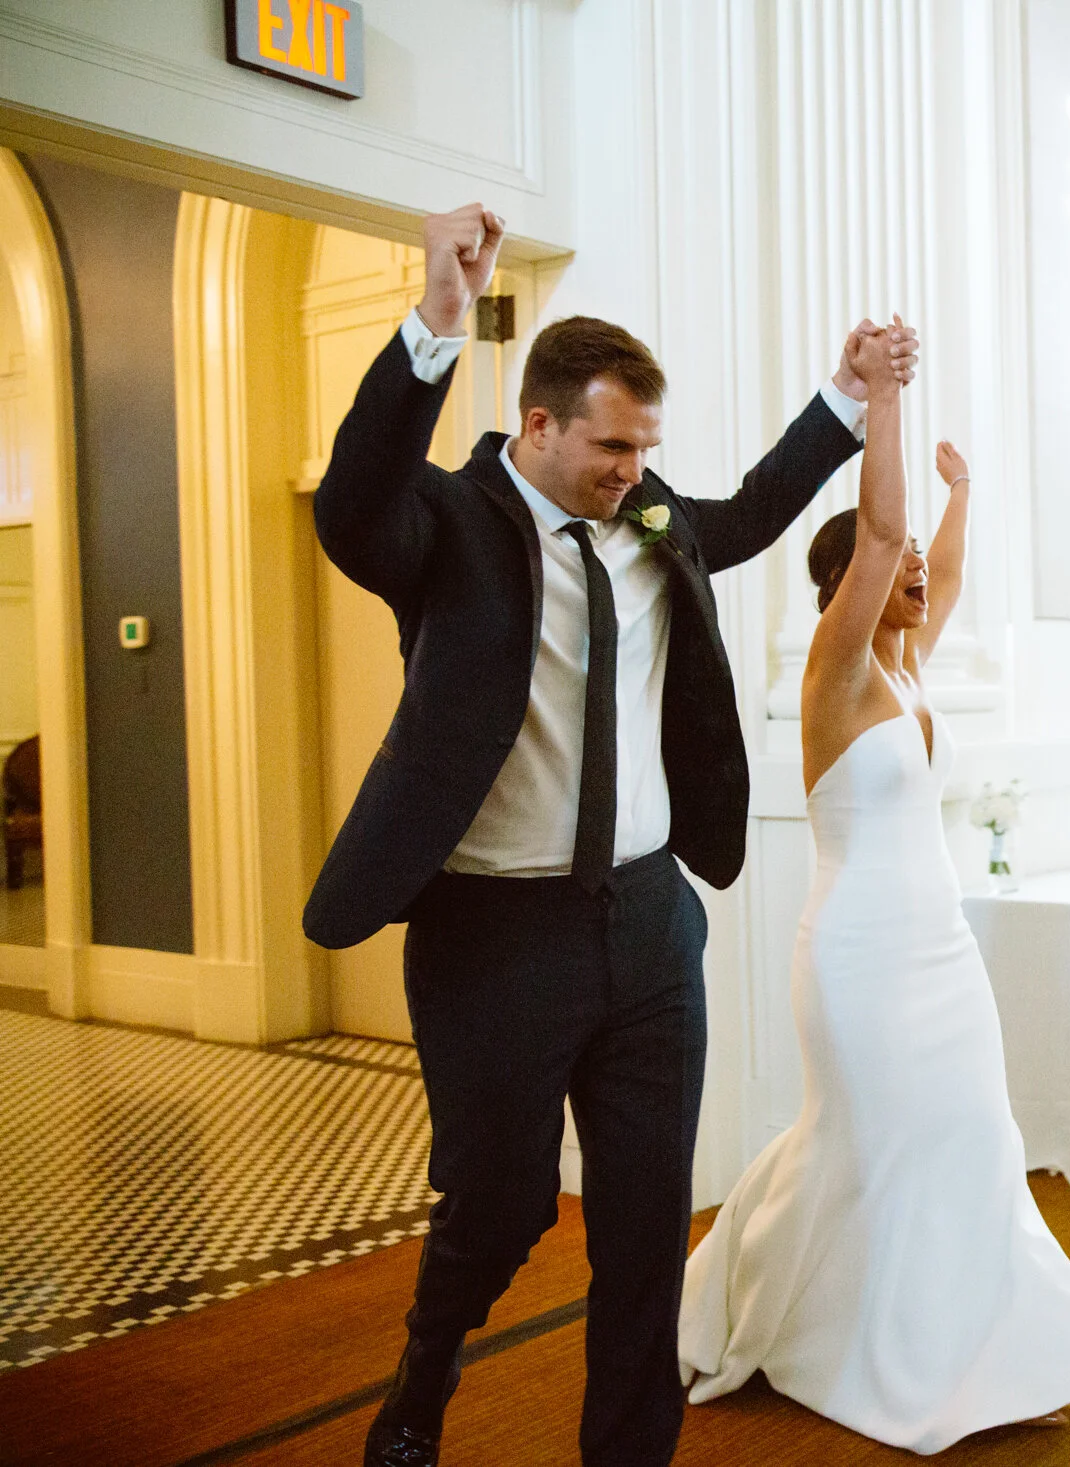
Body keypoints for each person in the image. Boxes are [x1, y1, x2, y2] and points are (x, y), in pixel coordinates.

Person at [305, 202, 917, 1467]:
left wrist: (847, 394)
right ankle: (423, 1377)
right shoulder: (447, 526)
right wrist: (436, 319)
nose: (634, 470)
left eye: (646, 446)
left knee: (644, 1231)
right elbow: (353, 504)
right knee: (501, 1207)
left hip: (646, 926)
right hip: (493, 937)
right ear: (538, 425)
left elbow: (750, 510)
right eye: (612, 445)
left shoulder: (648, 519)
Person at [678, 388, 1070, 1452]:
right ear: (851, 586)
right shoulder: (833, 674)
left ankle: (985, 1356)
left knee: (971, 1134)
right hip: (858, 958)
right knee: (869, 1145)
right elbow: (881, 532)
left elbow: (944, 570)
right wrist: (881, 399)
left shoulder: (909, 664)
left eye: (921, 563)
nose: (919, 572)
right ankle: (818, 1329)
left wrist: (962, 491)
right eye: (900, 564)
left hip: (940, 952)